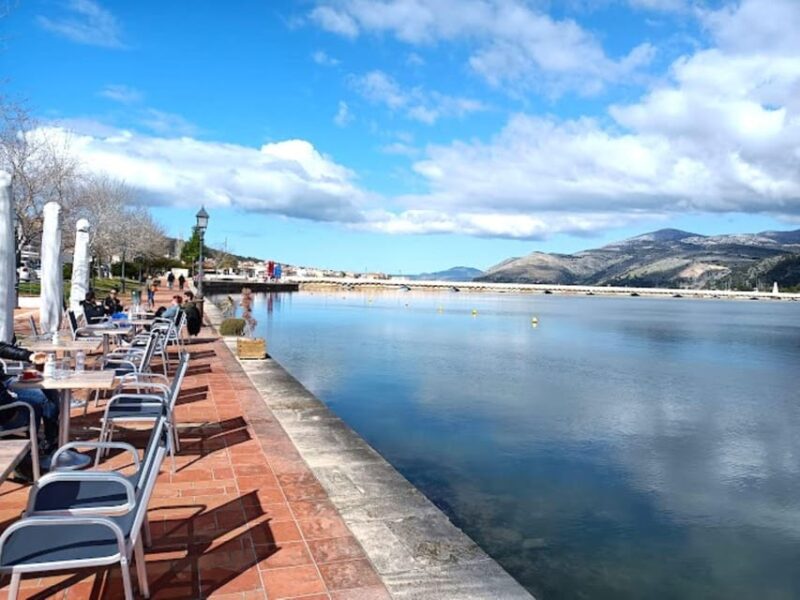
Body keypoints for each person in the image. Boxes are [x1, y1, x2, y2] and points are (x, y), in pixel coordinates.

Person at [0, 342, 61, 462]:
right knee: (36, 404)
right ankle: (30, 456)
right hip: (4, 410)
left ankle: (50, 441)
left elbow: (2, 348)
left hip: (3, 381)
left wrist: (29, 356)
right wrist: (11, 397)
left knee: (47, 392)